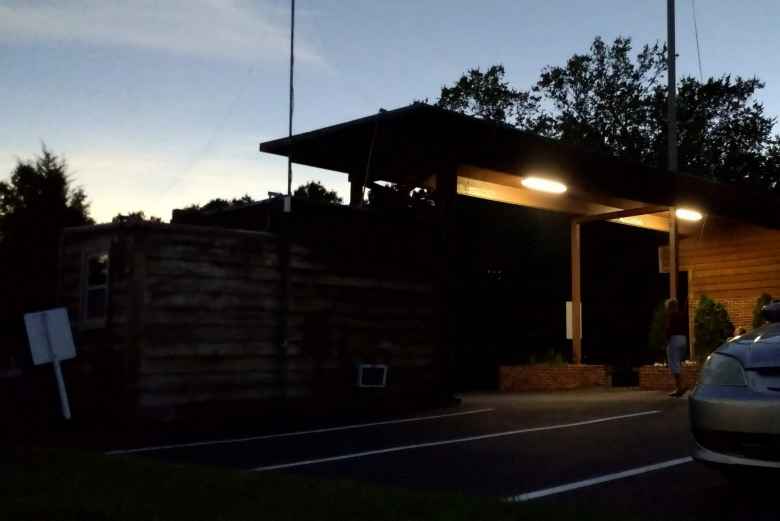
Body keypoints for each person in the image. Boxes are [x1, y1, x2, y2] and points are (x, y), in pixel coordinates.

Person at [665, 299, 688, 397]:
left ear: (670, 307)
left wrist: (666, 340)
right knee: (678, 363)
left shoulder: (671, 316)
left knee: (674, 364)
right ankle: (680, 386)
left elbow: (668, 329)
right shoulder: (681, 315)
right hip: (683, 339)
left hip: (674, 339)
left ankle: (680, 388)